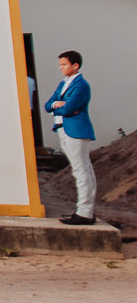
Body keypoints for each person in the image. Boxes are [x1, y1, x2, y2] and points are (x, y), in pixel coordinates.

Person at [44, 50, 97, 225]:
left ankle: (85, 212)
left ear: (75, 65)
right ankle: (84, 210)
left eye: (64, 65)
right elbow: (47, 105)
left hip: (76, 129)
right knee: (81, 169)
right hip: (64, 128)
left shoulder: (81, 85)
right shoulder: (63, 84)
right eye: (60, 65)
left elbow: (67, 109)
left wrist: (61, 107)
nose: (61, 68)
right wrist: (59, 105)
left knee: (81, 170)